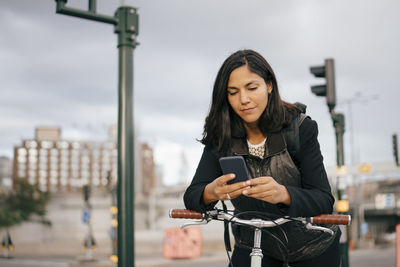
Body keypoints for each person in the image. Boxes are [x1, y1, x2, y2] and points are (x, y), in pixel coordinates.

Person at [183, 49, 341, 267]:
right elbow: (192, 195)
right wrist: (210, 192)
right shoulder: (221, 137)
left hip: (311, 247)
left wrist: (283, 194)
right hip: (253, 244)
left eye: (251, 88)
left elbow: (323, 199)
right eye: (233, 92)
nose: (243, 99)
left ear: (269, 85)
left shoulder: (300, 128)